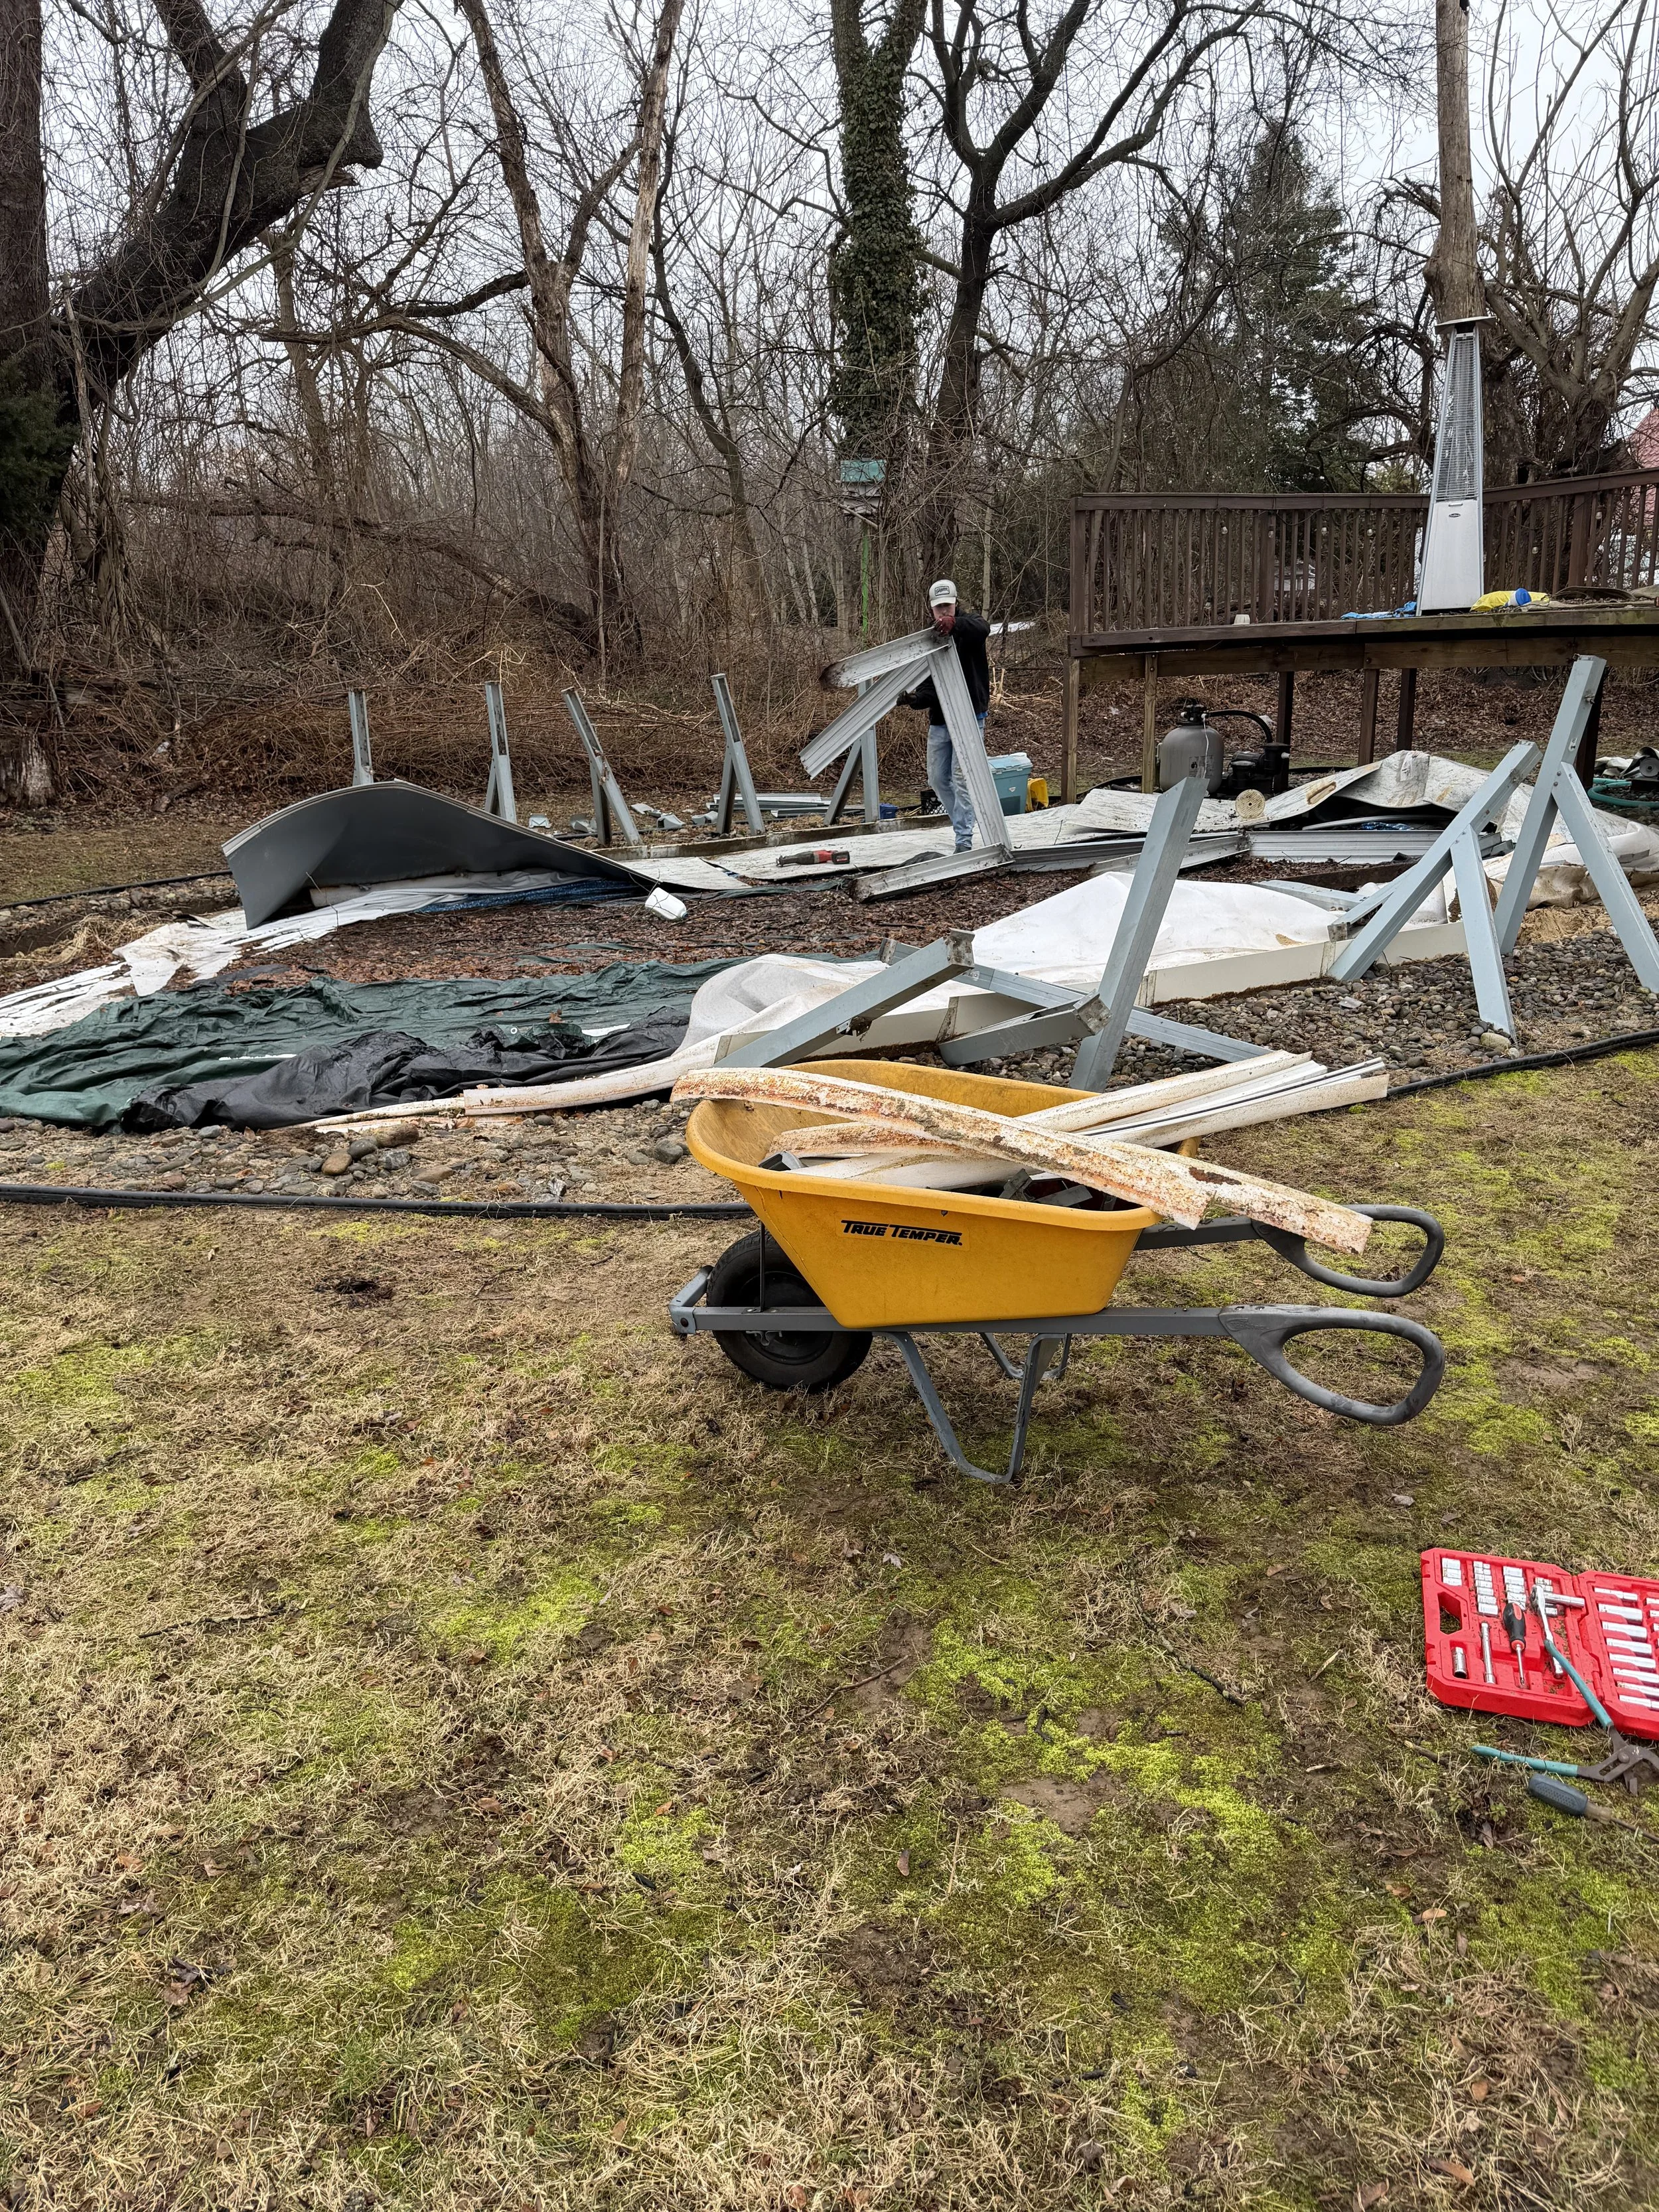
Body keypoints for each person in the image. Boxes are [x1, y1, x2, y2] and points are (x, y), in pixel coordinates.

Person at [899, 579, 991, 853]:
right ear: (931, 610)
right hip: (941, 719)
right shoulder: (930, 639)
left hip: (970, 715)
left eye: (947, 607)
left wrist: (955, 625)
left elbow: (982, 628)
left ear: (955, 604)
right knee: (938, 779)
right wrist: (915, 699)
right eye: (939, 609)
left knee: (962, 779)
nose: (943, 613)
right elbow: (930, 686)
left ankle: (964, 840)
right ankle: (961, 823)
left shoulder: (968, 626)